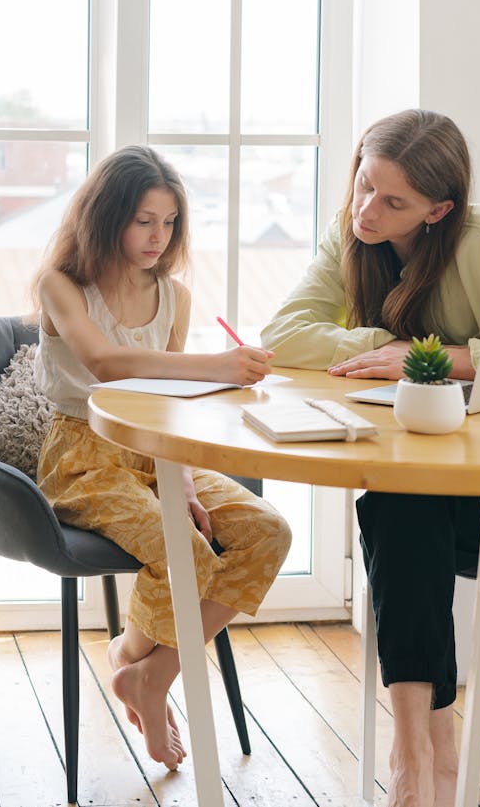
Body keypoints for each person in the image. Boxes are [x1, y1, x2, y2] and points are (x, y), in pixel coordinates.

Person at [260, 109, 480, 807]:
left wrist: (440, 357)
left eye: (393, 201)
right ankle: (420, 745)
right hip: (446, 490)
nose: (366, 209)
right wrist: (381, 347)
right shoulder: (352, 235)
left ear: (439, 209)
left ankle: (424, 758)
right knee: (397, 497)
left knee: (399, 507)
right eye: (363, 185)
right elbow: (284, 334)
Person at [31, 145, 291, 772]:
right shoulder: (60, 284)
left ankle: (149, 672)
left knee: (268, 533)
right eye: (144, 220)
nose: (158, 236)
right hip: (83, 456)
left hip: (157, 453)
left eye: (169, 222)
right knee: (187, 554)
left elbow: (167, 406)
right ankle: (131, 662)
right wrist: (216, 367)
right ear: (107, 217)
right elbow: (105, 364)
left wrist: (188, 485)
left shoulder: (173, 298)